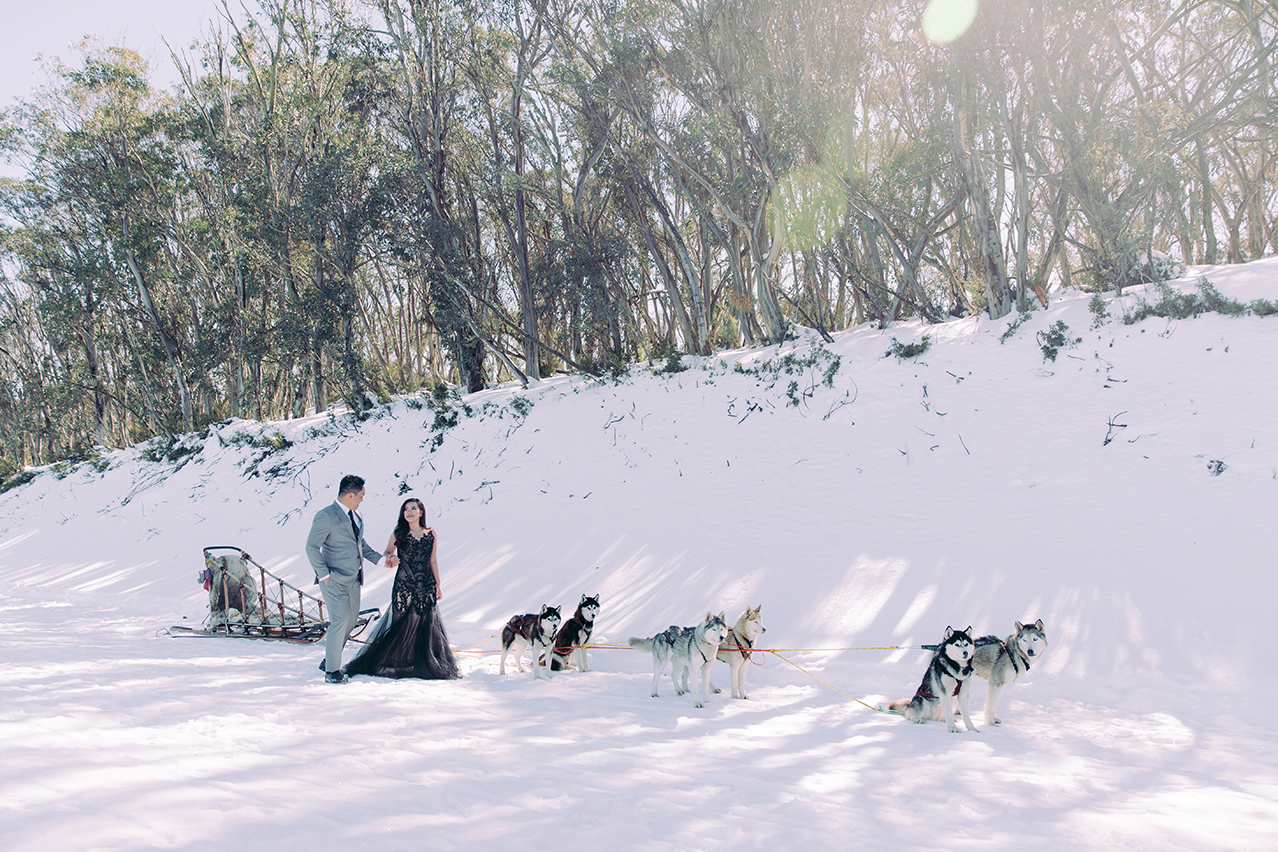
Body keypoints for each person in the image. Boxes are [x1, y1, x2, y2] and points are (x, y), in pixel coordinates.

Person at [344, 497, 462, 680]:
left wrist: (438, 585)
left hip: (426, 585)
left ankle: (422, 662)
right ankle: (400, 661)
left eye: (413, 509)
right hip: (404, 584)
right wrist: (392, 558)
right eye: (406, 509)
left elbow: (433, 560)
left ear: (421, 512)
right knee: (402, 623)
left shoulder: (431, 533)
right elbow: (387, 553)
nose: (409, 512)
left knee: (424, 622)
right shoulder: (399, 533)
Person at [305, 474, 385, 683]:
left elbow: (361, 544)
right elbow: (311, 547)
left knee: (349, 622)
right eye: (361, 496)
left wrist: (381, 561)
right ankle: (332, 672)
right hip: (334, 580)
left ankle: (330, 659)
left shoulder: (356, 514)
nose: (362, 499)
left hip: (354, 580)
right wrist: (324, 575)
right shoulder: (326, 516)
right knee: (339, 621)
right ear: (350, 494)